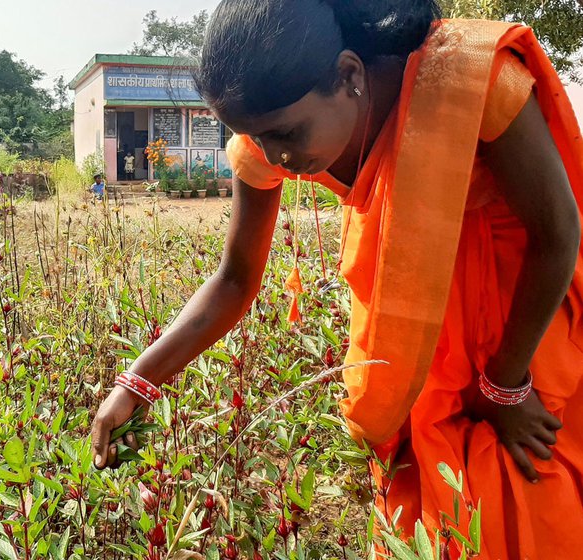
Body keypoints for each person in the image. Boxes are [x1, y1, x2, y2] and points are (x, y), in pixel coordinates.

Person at [89, 1, 583, 557]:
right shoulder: (272, 130)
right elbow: (235, 280)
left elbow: (558, 231)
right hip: (412, 327)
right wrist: (135, 384)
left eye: (286, 134)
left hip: (521, 322)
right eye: (257, 138)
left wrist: (506, 385)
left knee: (527, 496)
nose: (275, 154)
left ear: (349, 74)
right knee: (428, 507)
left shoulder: (470, 80)